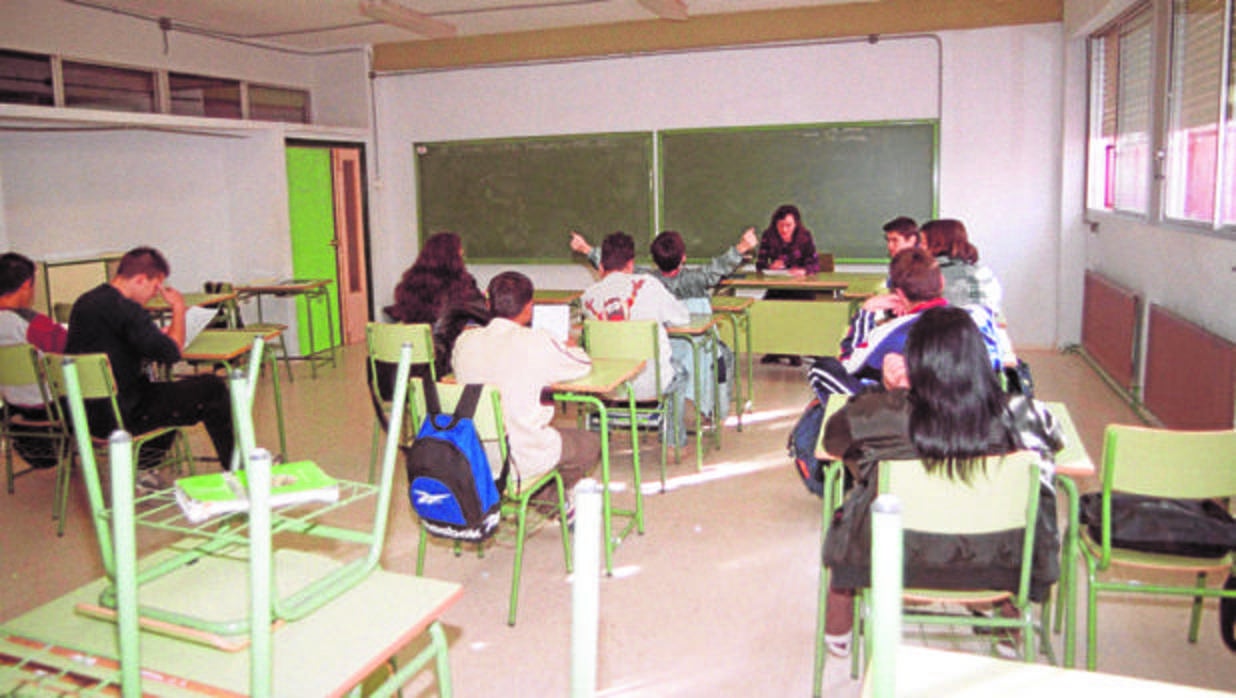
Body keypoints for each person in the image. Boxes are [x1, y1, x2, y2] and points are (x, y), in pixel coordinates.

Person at [820, 305, 1062, 658]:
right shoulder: (1025, 415)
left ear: (915, 361)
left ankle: (837, 634)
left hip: (893, 559)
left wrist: (889, 393)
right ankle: (1009, 632)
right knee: (1019, 517)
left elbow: (833, 442)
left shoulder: (879, 415)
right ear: (979, 360)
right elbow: (1056, 440)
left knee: (852, 508)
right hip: (996, 564)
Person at [65, 247, 233, 471]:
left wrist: (152, 338)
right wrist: (178, 308)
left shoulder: (84, 303)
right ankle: (237, 466)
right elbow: (172, 353)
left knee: (170, 394)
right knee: (212, 388)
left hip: (83, 416)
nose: (155, 294)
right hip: (122, 416)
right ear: (141, 279)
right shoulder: (129, 310)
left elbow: (112, 346)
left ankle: (145, 465)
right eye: (155, 287)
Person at [570, 227, 758, 421]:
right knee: (724, 355)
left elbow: (615, 265)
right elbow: (714, 271)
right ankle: (714, 414)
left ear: (654, 260)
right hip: (679, 357)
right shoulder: (690, 281)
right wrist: (742, 247)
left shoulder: (647, 280)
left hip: (635, 363)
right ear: (683, 257)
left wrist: (586, 249)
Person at [452, 271, 599, 506]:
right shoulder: (537, 341)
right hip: (522, 455)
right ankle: (552, 499)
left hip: (471, 454)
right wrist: (569, 346)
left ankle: (539, 495)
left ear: (488, 303)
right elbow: (583, 365)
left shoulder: (464, 341)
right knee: (590, 443)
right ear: (530, 307)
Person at [808, 247, 946, 401]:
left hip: (908, 410)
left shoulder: (891, 331)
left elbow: (848, 365)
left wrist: (867, 311)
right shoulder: (970, 318)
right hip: (954, 407)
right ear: (942, 283)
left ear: (899, 294)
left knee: (821, 369)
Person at [579, 231, 690, 406]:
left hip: (609, 387)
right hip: (652, 384)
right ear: (631, 265)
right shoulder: (649, 284)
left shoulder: (588, 298)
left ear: (600, 267)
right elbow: (682, 317)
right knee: (681, 372)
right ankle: (673, 433)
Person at [379, 231, 488, 394]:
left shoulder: (410, 282)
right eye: (460, 251)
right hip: (435, 367)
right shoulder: (460, 287)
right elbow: (491, 317)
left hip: (399, 364)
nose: (463, 254)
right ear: (454, 257)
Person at [0, 252, 69, 469]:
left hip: (14, 414)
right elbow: (73, 348)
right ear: (27, 283)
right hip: (53, 417)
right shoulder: (31, 323)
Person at [755, 204, 819, 366]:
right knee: (767, 308)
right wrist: (770, 267)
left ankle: (794, 350)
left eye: (788, 225)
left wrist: (804, 271)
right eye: (781, 226)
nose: (784, 229)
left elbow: (815, 264)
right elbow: (760, 264)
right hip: (778, 286)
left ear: (796, 224)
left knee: (795, 309)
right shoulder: (768, 236)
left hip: (801, 287)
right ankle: (774, 349)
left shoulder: (804, 237)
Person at [920, 218, 1004, 316]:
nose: (919, 248)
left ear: (937, 245)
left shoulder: (930, 278)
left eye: (923, 243)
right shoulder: (986, 273)